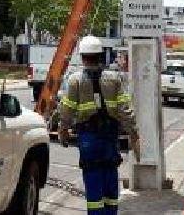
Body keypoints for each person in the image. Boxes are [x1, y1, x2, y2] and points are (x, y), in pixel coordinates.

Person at [59, 36, 139, 215]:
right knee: (110, 177)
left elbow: (67, 111)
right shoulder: (114, 79)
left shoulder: (75, 81)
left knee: (93, 181)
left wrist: (63, 131)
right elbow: (125, 109)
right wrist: (134, 133)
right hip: (110, 137)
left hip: (88, 139)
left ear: (82, 57)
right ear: (101, 55)